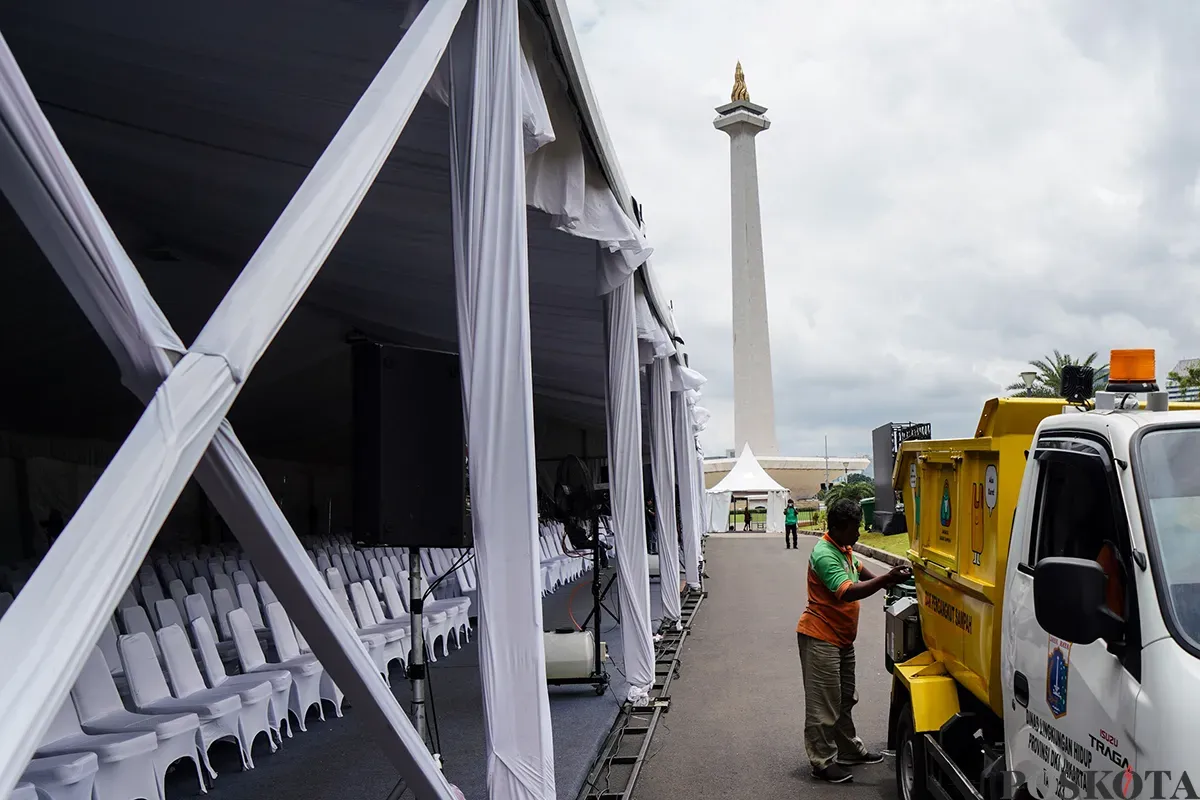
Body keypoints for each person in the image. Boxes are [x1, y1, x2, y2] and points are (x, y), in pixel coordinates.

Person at [796, 498, 912, 783]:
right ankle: (822, 761)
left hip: (841, 638)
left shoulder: (844, 548)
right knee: (824, 704)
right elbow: (848, 591)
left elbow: (860, 571)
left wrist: (892, 579)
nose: (859, 533)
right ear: (836, 528)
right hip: (821, 636)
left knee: (845, 698)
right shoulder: (825, 553)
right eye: (854, 528)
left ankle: (849, 750)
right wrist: (885, 580)